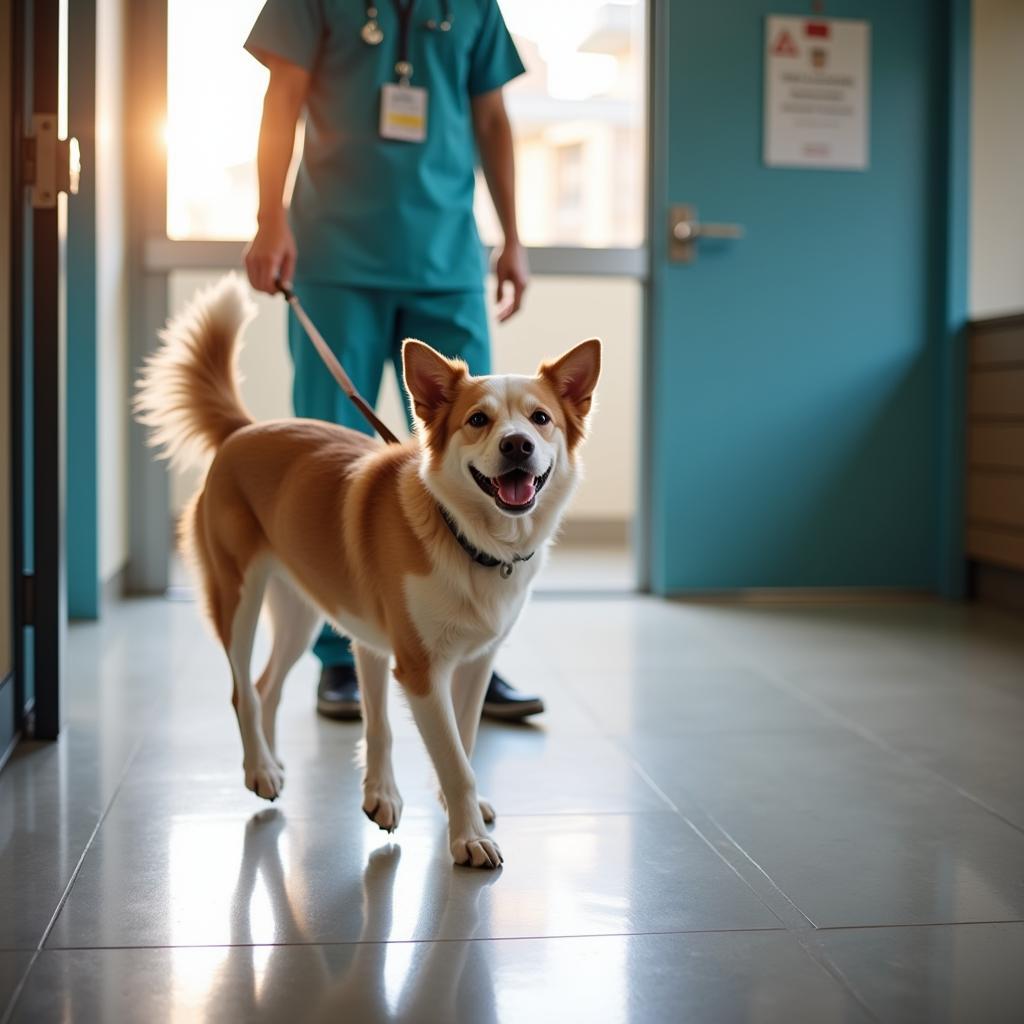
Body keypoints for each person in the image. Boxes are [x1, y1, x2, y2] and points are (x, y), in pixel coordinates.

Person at [242, 0, 544, 722]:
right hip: (336, 249)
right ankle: (338, 653)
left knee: (475, 447)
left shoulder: (472, 7)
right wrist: (268, 216)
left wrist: (513, 235)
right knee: (328, 454)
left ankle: (470, 645)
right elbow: (281, 94)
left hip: (444, 257)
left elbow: (493, 118)